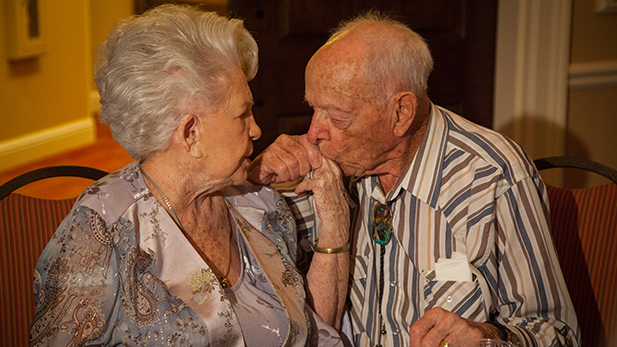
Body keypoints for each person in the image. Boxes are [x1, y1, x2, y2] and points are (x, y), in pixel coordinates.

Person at [248, 12, 581, 347]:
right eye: (314, 109)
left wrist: (492, 335)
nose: (314, 132)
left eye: (337, 116)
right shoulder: (333, 165)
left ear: (401, 113)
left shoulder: (492, 176)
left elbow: (558, 333)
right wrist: (255, 177)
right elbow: (256, 257)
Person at [28, 5, 350, 346]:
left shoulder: (260, 206)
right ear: (190, 133)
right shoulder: (105, 228)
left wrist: (332, 213)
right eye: (243, 114)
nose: (257, 130)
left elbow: (311, 331)